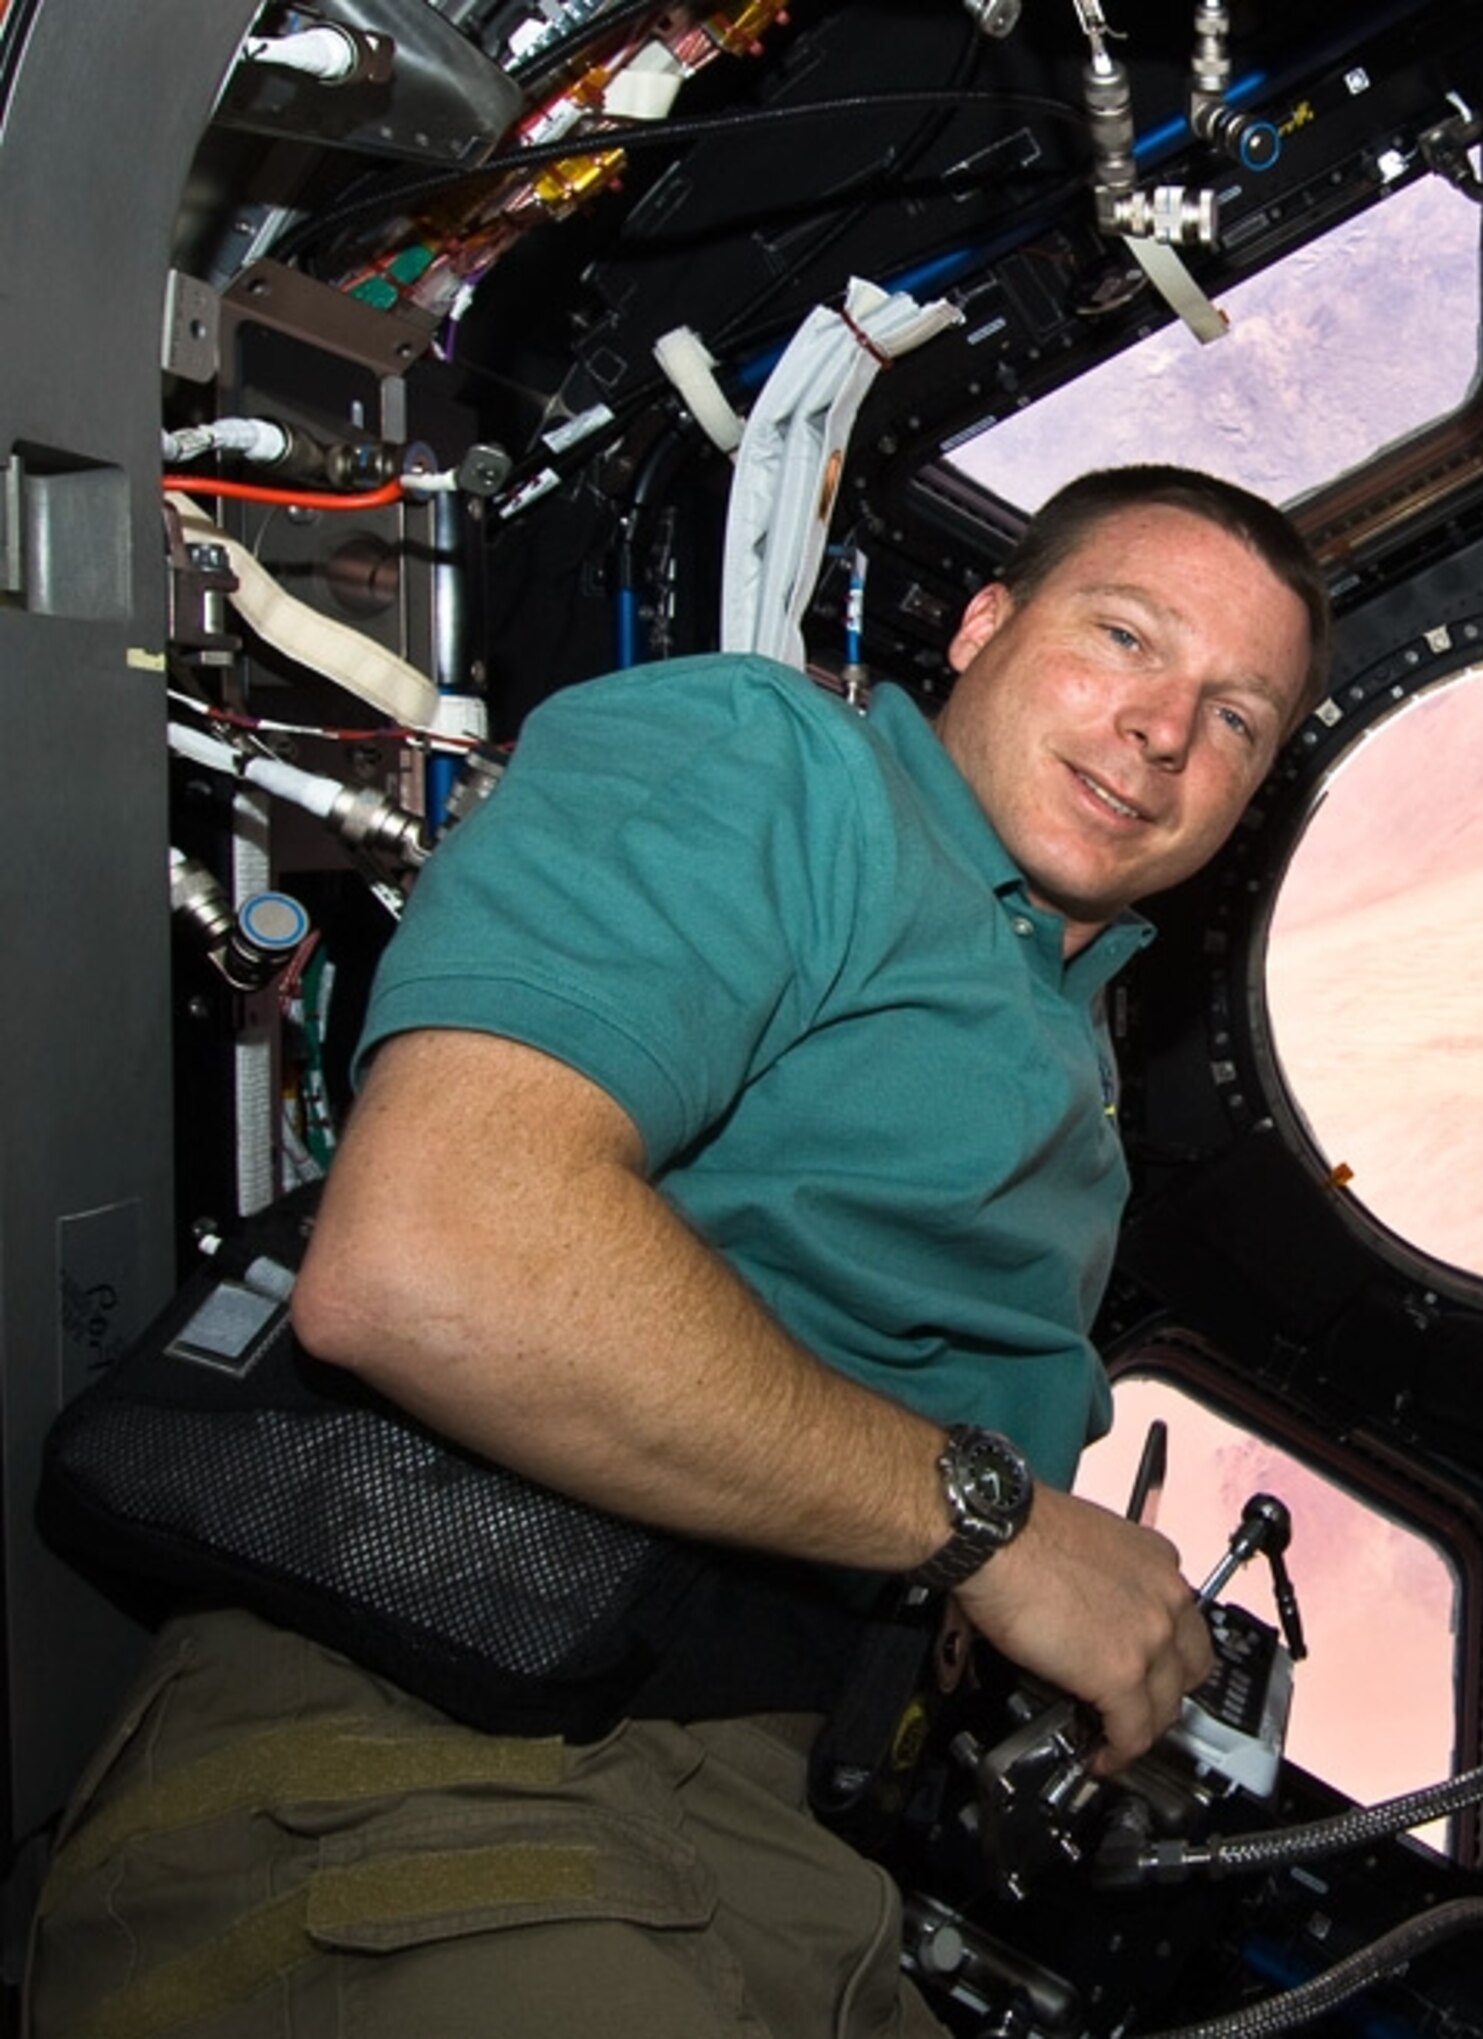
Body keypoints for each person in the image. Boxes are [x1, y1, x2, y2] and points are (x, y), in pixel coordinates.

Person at [28, 465, 1333, 2036]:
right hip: (455, 1762)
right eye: (1125, 636)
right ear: (985, 625)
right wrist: (998, 1530)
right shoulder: (775, 765)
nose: (1167, 729)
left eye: (1238, 717)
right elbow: (440, 1255)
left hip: (777, 1856)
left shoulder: (1061, 1038)